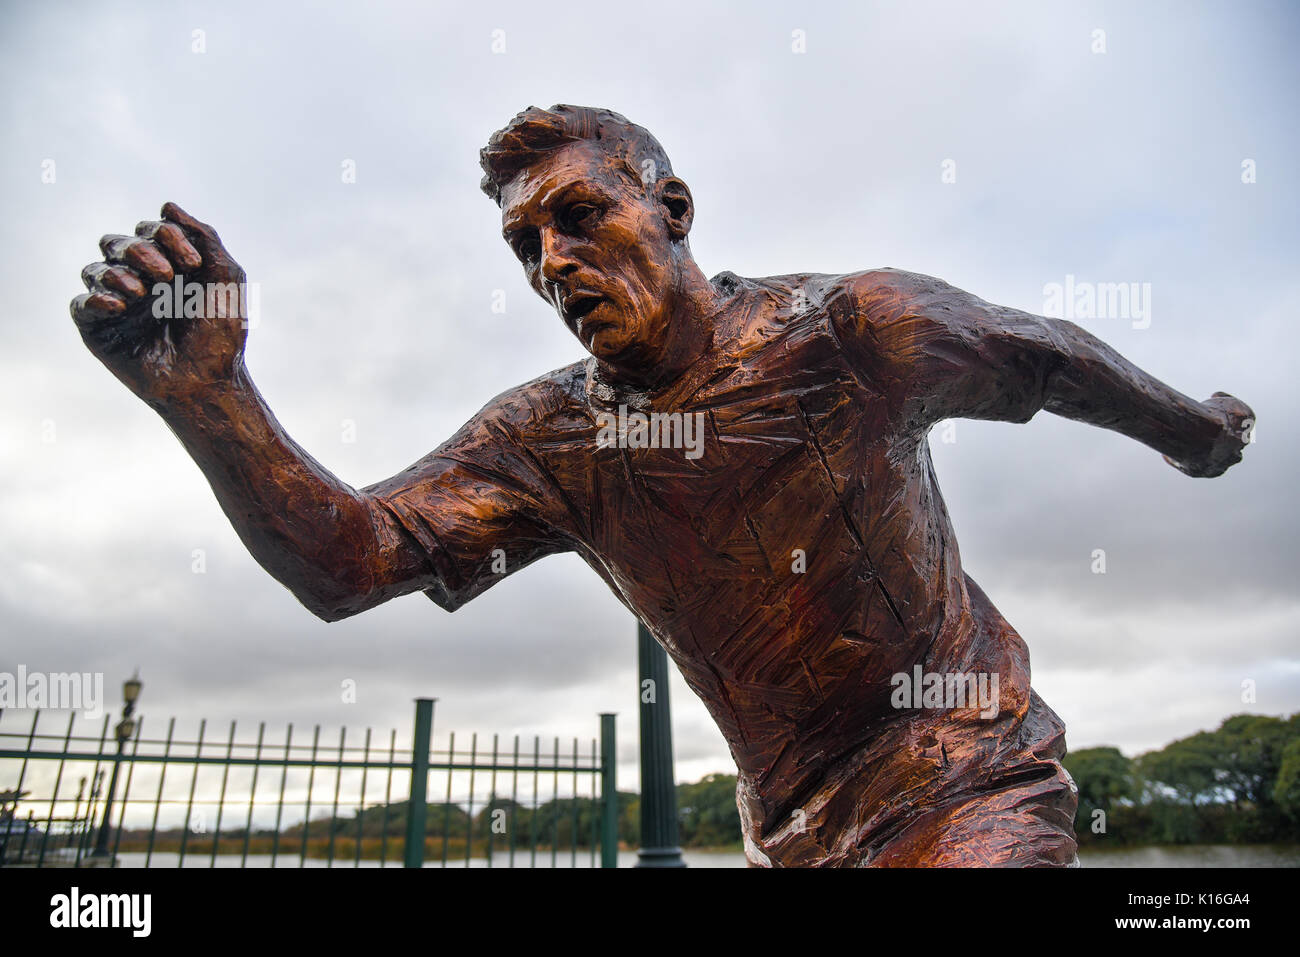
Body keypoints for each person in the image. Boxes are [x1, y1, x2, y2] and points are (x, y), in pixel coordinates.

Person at [70, 105, 1254, 866]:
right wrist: (209, 399)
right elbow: (351, 565)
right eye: (528, 249)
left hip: (967, 777)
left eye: (581, 218)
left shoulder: (855, 331)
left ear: (671, 210)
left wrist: (1192, 432)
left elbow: (1045, 354)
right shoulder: (548, 440)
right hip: (792, 836)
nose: (555, 265)